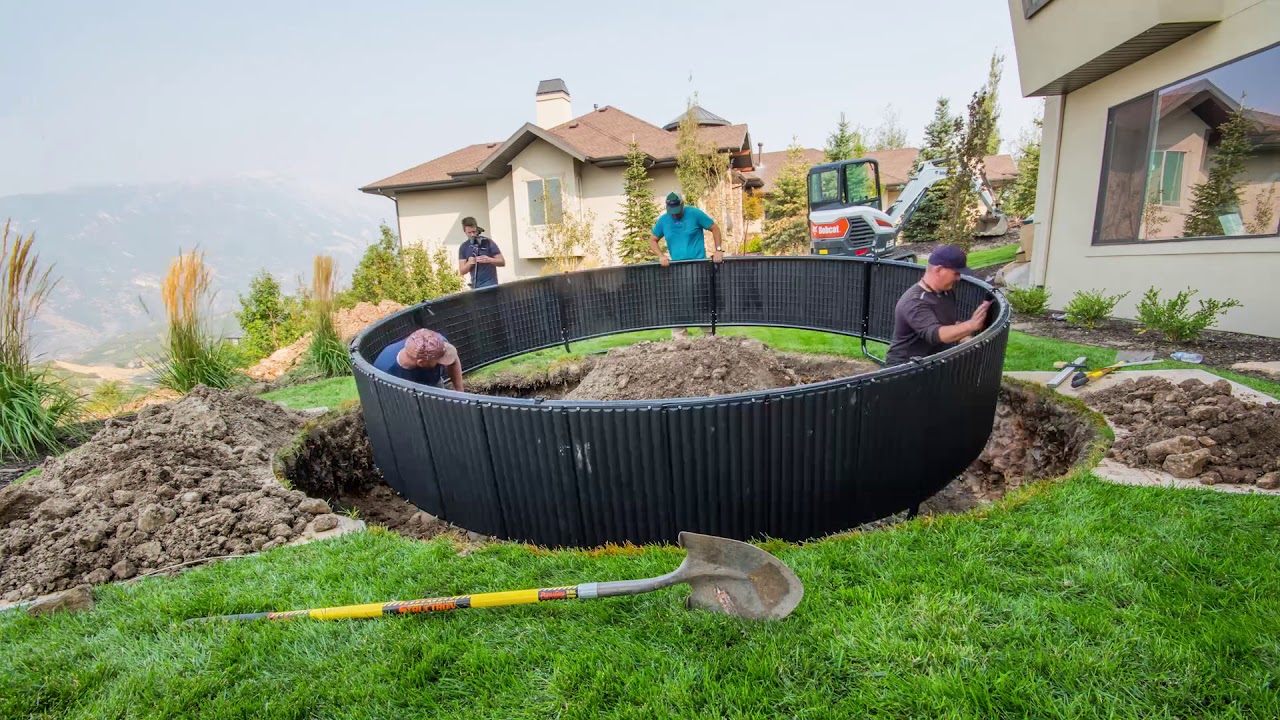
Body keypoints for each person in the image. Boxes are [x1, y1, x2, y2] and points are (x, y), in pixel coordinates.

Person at [884, 245, 992, 366]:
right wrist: (971, 325)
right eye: (956, 273)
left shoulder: (946, 292)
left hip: (929, 364)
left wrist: (967, 338)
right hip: (902, 370)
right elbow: (936, 334)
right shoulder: (914, 301)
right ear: (939, 270)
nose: (958, 278)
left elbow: (948, 324)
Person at [372, 328, 464, 390]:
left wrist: (460, 394)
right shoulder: (386, 371)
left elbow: (453, 360)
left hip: (433, 382)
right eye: (438, 361)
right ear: (421, 363)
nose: (443, 363)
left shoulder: (435, 341)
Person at [649, 192, 724, 266]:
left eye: (677, 211)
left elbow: (715, 228)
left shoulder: (694, 214)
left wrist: (718, 250)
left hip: (698, 264)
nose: (675, 215)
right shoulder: (663, 220)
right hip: (677, 266)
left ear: (682, 204)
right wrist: (661, 256)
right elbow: (653, 240)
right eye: (672, 212)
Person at [457, 217, 504, 289]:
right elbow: (462, 271)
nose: (472, 234)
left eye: (474, 231)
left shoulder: (488, 242)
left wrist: (489, 260)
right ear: (465, 231)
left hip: (491, 285)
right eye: (469, 232)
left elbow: (502, 262)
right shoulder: (464, 247)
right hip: (476, 287)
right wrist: (469, 263)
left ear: (477, 229)